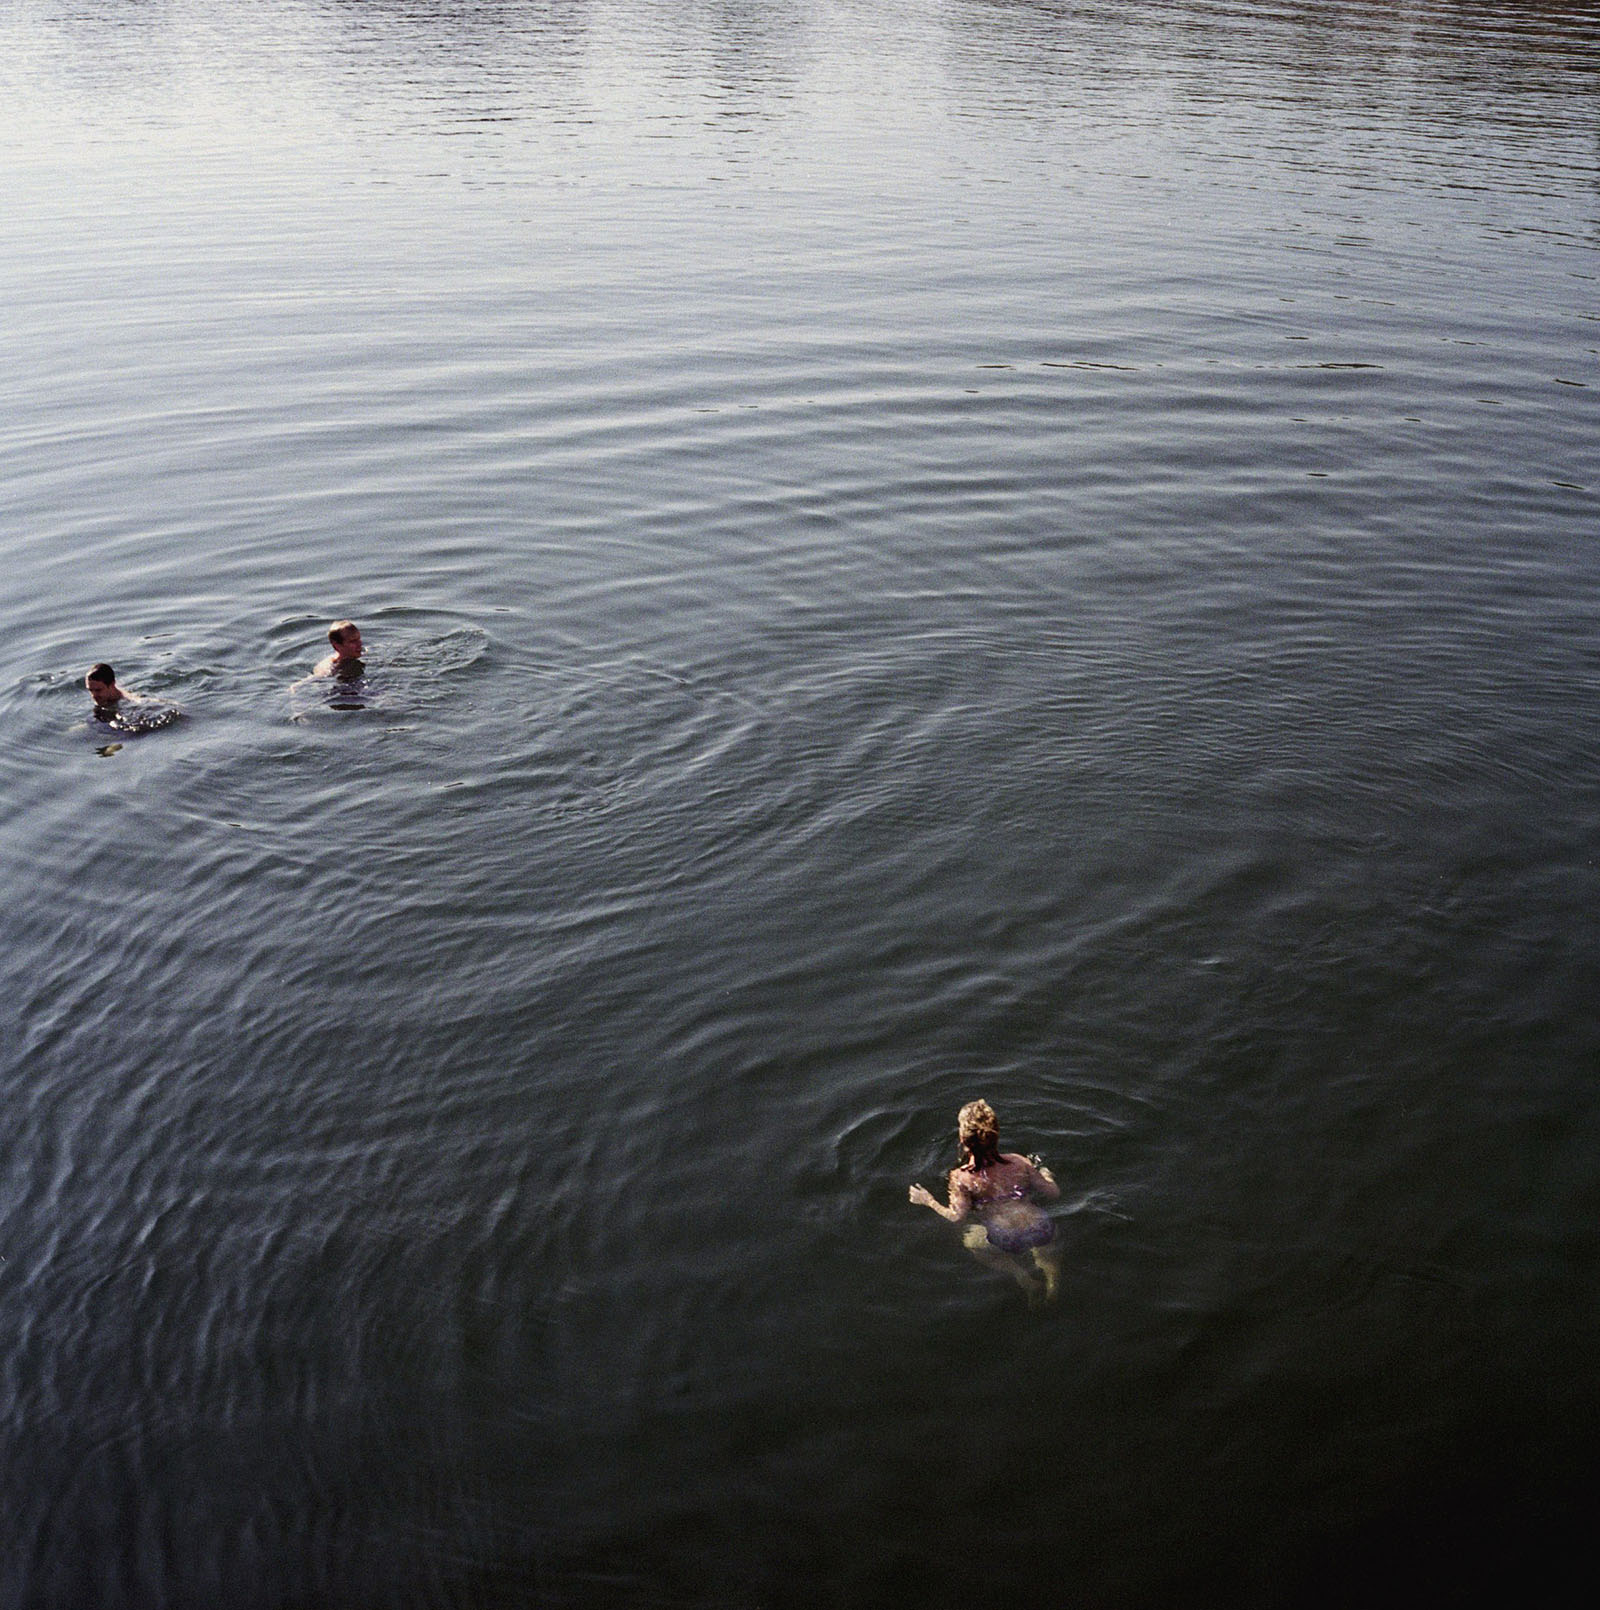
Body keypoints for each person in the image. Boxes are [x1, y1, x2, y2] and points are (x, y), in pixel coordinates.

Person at [910, 1099, 1062, 1301]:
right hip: (1038, 1224)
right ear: (996, 1135)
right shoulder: (1019, 1161)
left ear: (963, 1140)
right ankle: (1052, 1280)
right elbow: (1053, 1193)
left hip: (1004, 1234)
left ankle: (1023, 1277)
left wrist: (927, 1200)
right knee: (1046, 1251)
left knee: (971, 1240)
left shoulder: (961, 1178)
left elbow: (956, 1216)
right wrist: (1047, 1174)